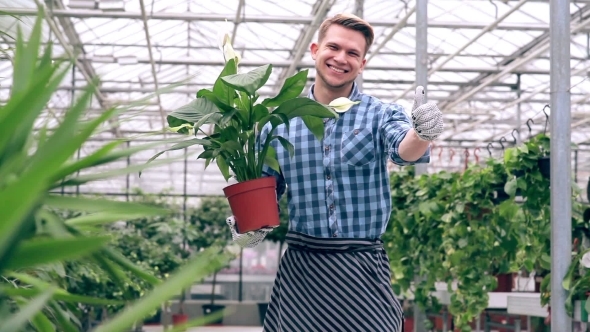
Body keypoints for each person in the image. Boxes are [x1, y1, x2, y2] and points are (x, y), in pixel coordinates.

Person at [226, 13, 443, 332]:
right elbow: (265, 190)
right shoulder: (279, 122)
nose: (341, 58)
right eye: (334, 47)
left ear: (363, 63)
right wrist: (247, 225)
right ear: (315, 50)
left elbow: (404, 150)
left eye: (353, 53)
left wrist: (422, 132)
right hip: (303, 270)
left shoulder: (380, 114)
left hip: (362, 266)